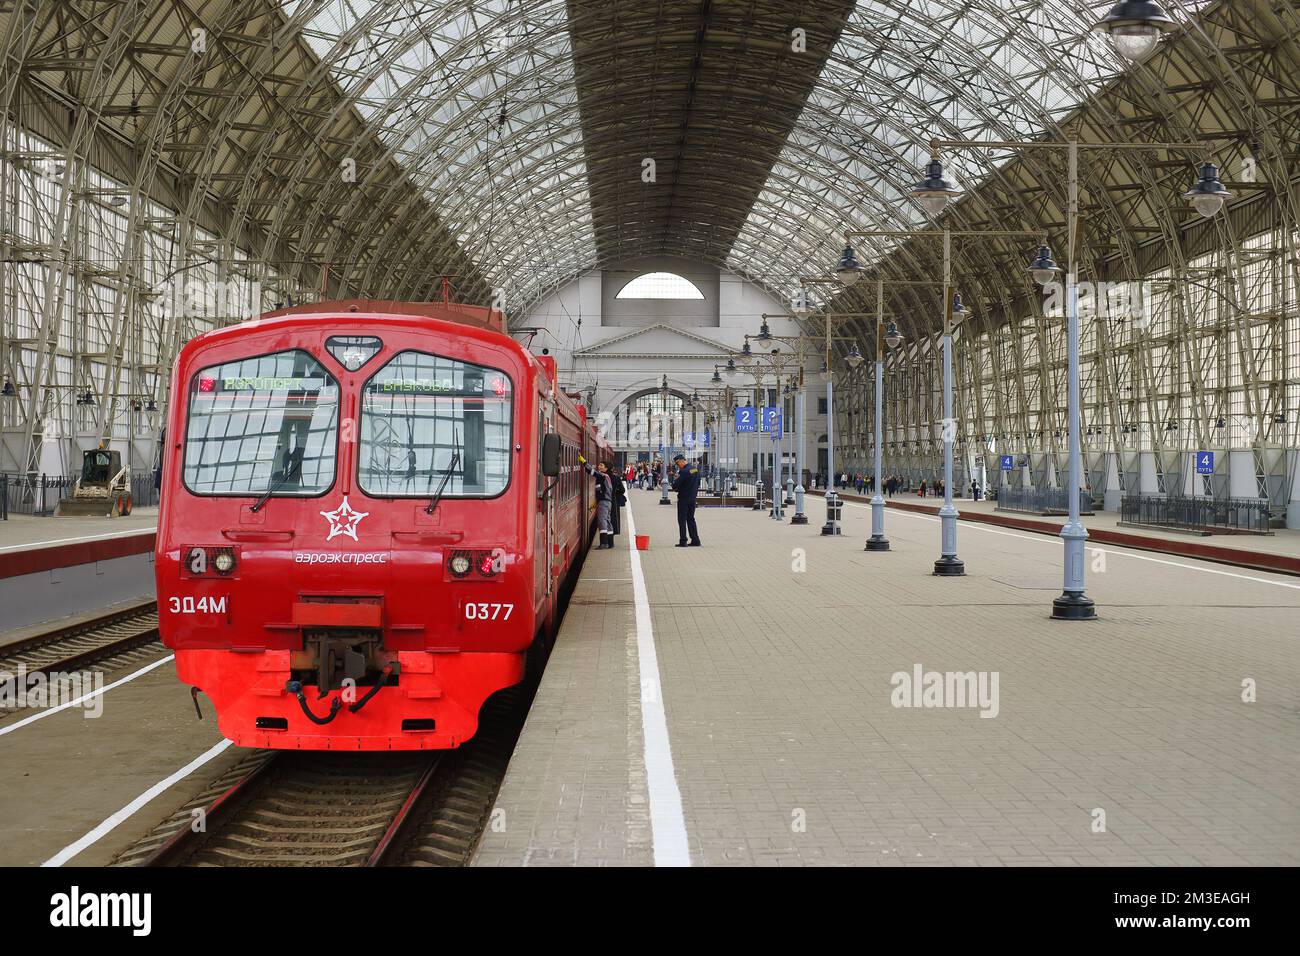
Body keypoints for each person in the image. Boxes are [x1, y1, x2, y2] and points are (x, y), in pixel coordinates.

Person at [579, 454, 614, 548]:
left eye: (601, 465)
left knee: (602, 521)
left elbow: (591, 471)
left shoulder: (603, 476)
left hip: (604, 502)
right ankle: (610, 543)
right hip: (606, 502)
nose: (599, 466)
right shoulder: (605, 477)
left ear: (606, 468)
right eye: (599, 465)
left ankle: (604, 543)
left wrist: (584, 462)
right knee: (607, 521)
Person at [672, 452, 701, 547]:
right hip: (693, 498)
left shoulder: (683, 471)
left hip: (684, 499)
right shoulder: (695, 469)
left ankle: (683, 541)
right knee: (691, 519)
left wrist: (676, 483)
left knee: (682, 520)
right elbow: (698, 483)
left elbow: (675, 486)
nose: (677, 466)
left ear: (681, 461)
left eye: (677, 463)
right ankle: (695, 540)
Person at [608, 464, 627, 535]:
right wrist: (616, 492)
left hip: (607, 500)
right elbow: (622, 490)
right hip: (614, 500)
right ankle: (614, 531)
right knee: (614, 517)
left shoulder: (603, 477)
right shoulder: (616, 477)